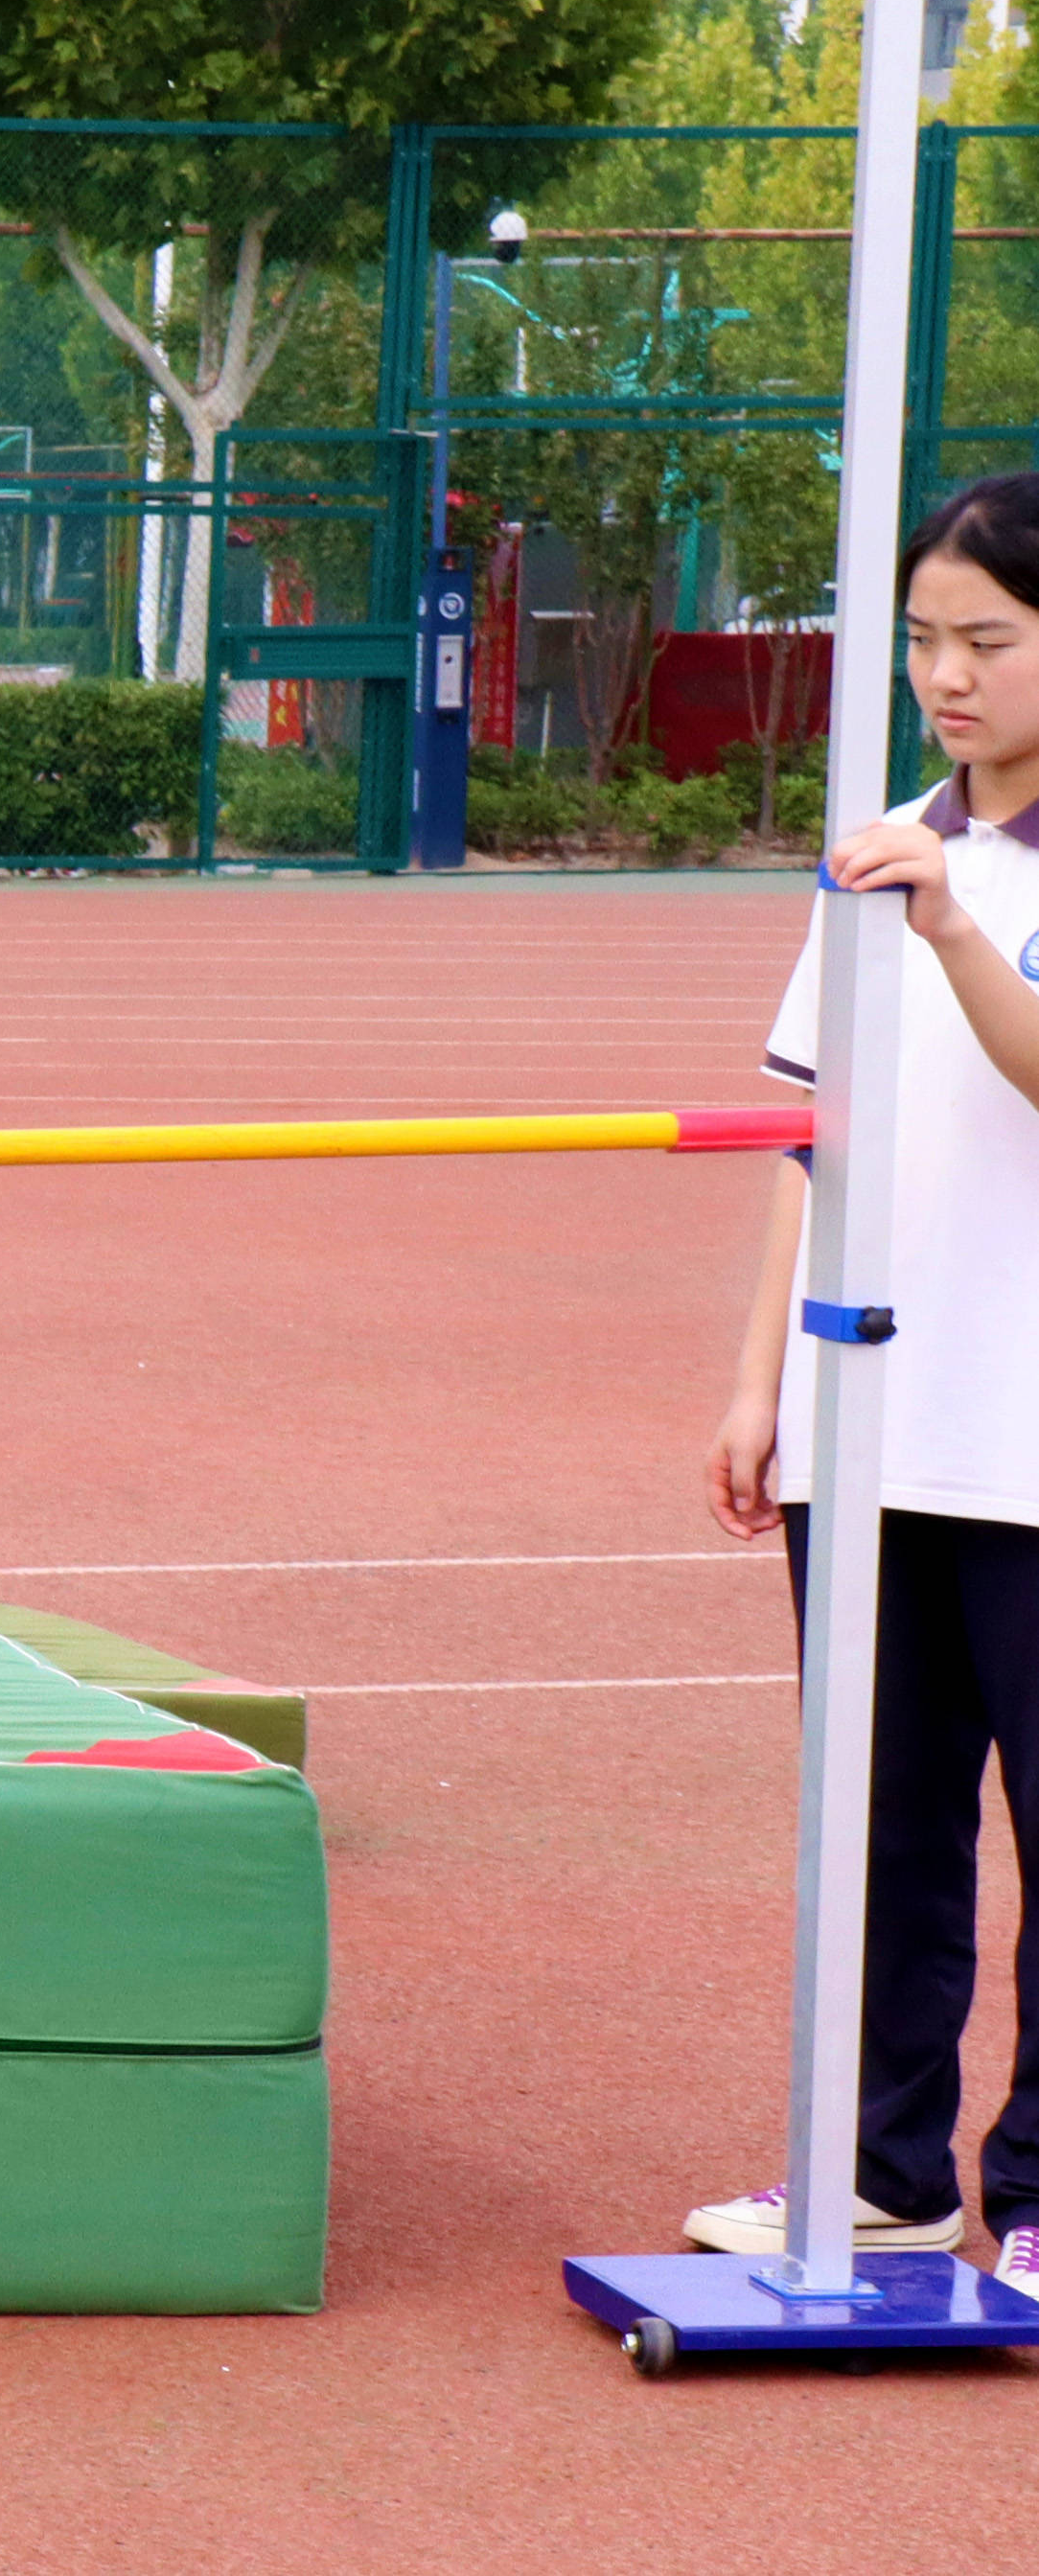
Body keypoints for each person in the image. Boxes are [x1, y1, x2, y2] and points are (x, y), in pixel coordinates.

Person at [697, 470, 1039, 2305]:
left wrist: (953, 925)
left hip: (1034, 1440)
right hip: (873, 1433)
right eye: (922, 640)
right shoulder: (876, 846)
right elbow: (805, 1138)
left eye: (985, 639)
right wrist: (756, 1384)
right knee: (884, 1829)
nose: (945, 676)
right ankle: (879, 2179)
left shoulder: (934, 890)